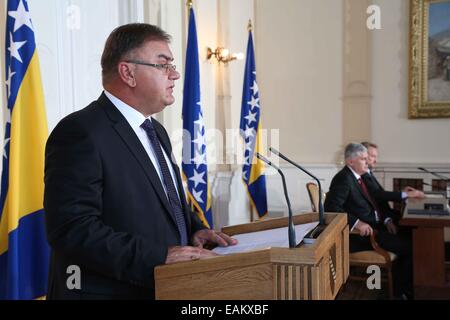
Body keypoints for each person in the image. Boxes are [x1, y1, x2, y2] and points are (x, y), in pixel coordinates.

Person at [44, 23, 237, 300]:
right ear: (128, 72)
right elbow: (72, 229)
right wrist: (159, 256)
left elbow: (167, 201)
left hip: (166, 289)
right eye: (163, 65)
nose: (175, 74)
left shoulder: (155, 130)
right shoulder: (80, 132)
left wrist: (195, 231)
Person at [324, 143, 413, 298]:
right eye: (364, 159)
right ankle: (401, 292)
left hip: (376, 226)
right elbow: (331, 208)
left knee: (411, 238)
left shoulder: (359, 177)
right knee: (410, 247)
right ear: (351, 162)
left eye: (367, 159)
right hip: (363, 235)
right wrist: (357, 223)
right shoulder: (344, 178)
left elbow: (375, 203)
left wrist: (386, 220)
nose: (368, 162)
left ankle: (405, 287)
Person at [361, 141, 425, 232]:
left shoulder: (368, 173)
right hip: (380, 223)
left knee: (417, 225)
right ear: (363, 156)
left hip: (386, 216)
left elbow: (379, 197)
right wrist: (406, 194)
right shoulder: (362, 176)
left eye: (376, 157)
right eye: (373, 156)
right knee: (417, 229)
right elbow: (379, 195)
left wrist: (402, 192)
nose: (376, 160)